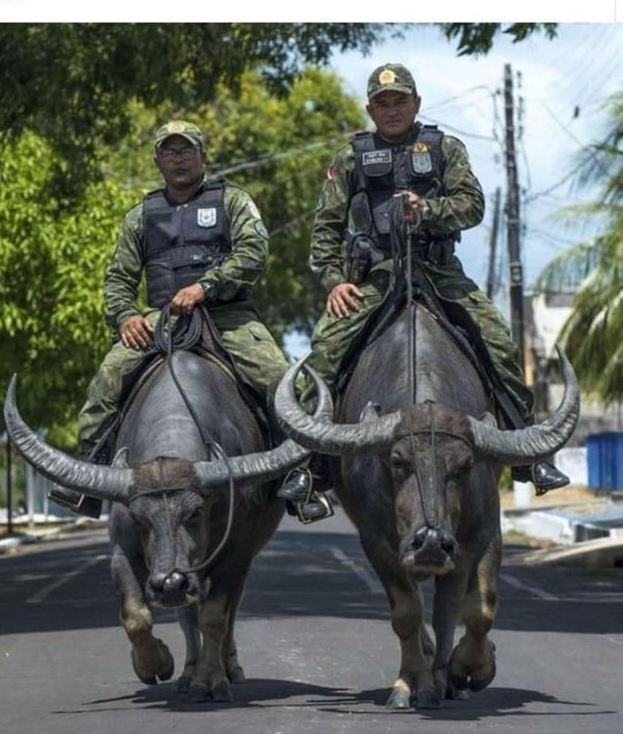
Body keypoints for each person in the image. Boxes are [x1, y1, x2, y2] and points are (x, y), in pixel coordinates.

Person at [278, 63, 569, 505]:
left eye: (400, 101)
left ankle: (530, 455)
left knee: (499, 345)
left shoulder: (444, 147)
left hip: (439, 272)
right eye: (382, 103)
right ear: (370, 109)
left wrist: (428, 210)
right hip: (375, 277)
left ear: (416, 103)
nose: (391, 110)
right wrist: (336, 282)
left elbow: (472, 206)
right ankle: (311, 466)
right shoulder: (349, 157)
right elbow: (325, 231)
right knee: (324, 356)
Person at [52, 120, 328, 520]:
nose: (178, 158)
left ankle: (304, 476)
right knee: (107, 379)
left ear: (203, 156)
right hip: (161, 319)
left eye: (186, 150)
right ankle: (89, 477)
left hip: (227, 315)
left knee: (276, 378)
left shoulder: (232, 201)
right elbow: (117, 277)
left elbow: (253, 253)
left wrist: (207, 287)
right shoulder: (140, 215)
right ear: (157, 159)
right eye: (169, 151)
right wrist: (126, 316)